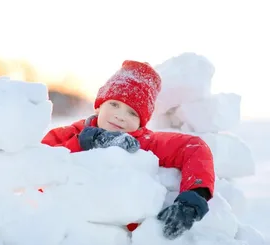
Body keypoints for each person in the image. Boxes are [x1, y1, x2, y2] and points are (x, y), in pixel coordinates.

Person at [41, 60, 215, 240]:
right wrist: (85, 142)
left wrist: (193, 200)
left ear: (142, 121)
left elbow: (195, 148)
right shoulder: (70, 134)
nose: (120, 116)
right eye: (114, 104)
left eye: (133, 113)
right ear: (100, 105)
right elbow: (36, 164)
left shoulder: (147, 143)